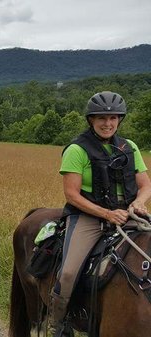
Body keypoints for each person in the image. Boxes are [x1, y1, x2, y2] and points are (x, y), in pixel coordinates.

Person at [50, 91, 151, 336]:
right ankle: (59, 323)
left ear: (119, 120)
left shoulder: (130, 147)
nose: (108, 124)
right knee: (69, 272)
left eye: (113, 118)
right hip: (88, 216)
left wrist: (138, 202)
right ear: (91, 120)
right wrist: (106, 214)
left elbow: (145, 184)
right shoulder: (77, 149)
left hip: (128, 216)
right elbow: (72, 194)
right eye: (101, 118)